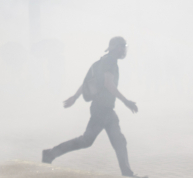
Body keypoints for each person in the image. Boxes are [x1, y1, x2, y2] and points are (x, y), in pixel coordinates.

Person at [41, 37, 145, 177]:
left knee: (119, 141)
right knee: (86, 141)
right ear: (116, 47)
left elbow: (88, 83)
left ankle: (128, 174)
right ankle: (50, 154)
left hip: (105, 109)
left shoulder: (102, 61)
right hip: (102, 110)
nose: (124, 49)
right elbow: (109, 84)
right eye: (122, 46)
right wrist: (126, 101)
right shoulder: (109, 62)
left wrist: (75, 97)